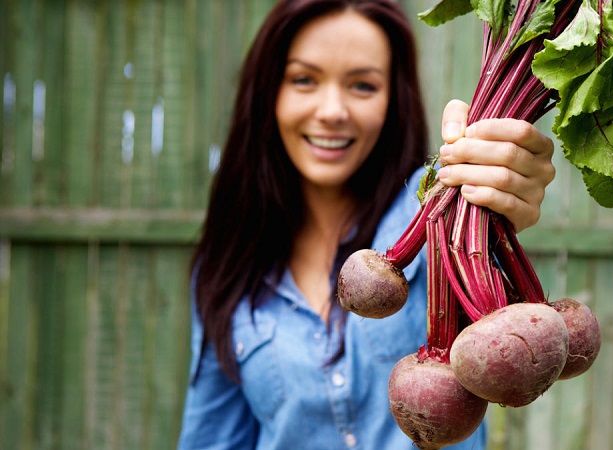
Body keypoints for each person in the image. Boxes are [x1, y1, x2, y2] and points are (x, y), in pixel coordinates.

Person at [177, 0, 555, 449]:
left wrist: (503, 185)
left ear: (393, 99)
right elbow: (213, 438)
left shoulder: (441, 204)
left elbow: (489, 197)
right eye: (304, 80)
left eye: (362, 85)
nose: (333, 110)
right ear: (268, 93)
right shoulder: (228, 266)